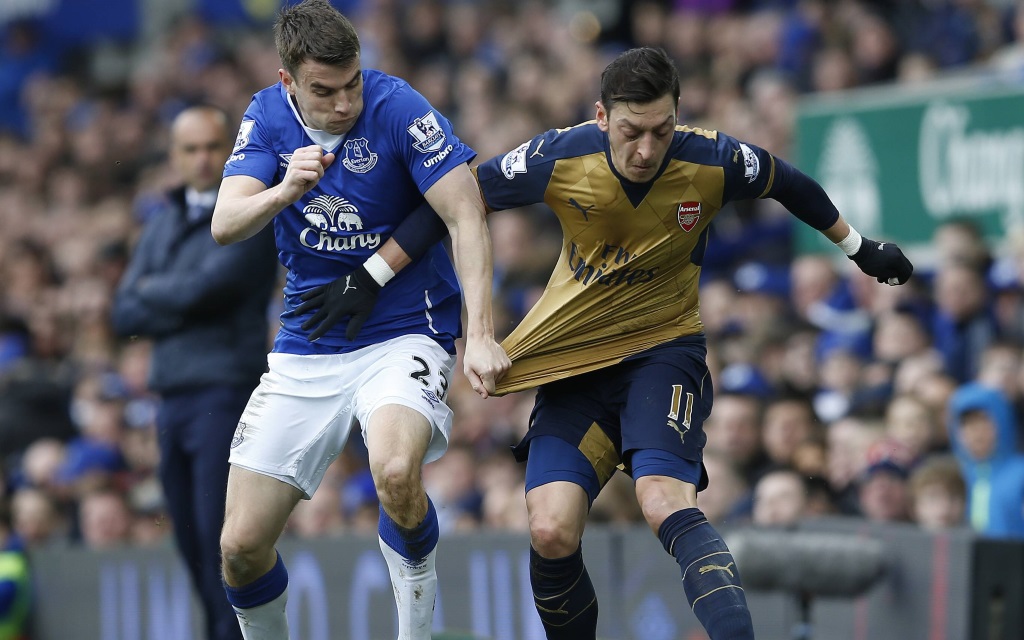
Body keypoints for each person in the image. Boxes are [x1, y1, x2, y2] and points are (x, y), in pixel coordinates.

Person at [301, 47, 913, 639]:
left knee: (662, 500)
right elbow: (457, 200)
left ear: (678, 114)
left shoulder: (712, 158)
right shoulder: (559, 157)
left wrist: (860, 248)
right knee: (549, 530)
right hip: (574, 364)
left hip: (663, 350)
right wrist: (371, 275)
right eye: (630, 131)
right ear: (601, 117)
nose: (646, 148)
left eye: (661, 129)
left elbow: (789, 182)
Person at [209, 1, 509, 639]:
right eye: (325, 91)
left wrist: (480, 334)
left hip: (404, 329)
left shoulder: (397, 106)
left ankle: (418, 632)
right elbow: (224, 223)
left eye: (351, 84)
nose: (344, 103)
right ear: (289, 80)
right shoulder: (264, 116)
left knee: (396, 473)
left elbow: (464, 213)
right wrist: (284, 191)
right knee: (239, 546)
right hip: (308, 342)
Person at [111, 105, 276, 640]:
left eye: (213, 147)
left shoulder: (250, 212)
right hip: (174, 397)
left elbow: (208, 288)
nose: (204, 159)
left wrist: (153, 291)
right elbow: (122, 312)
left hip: (225, 391)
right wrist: (172, 296)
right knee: (188, 540)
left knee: (220, 538)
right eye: (191, 149)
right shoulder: (162, 223)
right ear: (174, 156)